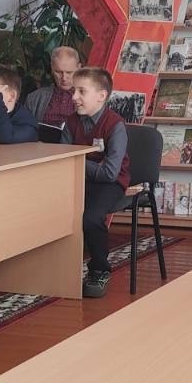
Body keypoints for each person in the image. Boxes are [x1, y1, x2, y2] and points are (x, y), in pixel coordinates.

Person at [59, 66, 128, 300]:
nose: (74, 97)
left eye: (81, 91)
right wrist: (78, 163)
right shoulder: (70, 123)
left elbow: (109, 173)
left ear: (101, 95)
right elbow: (62, 160)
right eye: (73, 91)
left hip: (111, 184)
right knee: (51, 210)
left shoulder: (115, 125)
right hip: (78, 179)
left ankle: (99, 269)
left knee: (90, 218)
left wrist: (77, 160)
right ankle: (58, 268)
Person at [25, 46, 81, 129]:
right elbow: (23, 128)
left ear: (79, 68)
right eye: (58, 72)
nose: (64, 78)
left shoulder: (91, 98)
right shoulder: (34, 98)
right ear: (51, 68)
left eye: (69, 72)